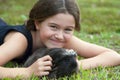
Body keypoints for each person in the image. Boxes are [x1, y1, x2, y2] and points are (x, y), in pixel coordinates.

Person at [0, 0, 120, 79]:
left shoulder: (63, 40)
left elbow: (114, 56)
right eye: (53, 27)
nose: (60, 35)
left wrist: (77, 65)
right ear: (37, 23)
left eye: (68, 29)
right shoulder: (20, 40)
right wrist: (27, 72)